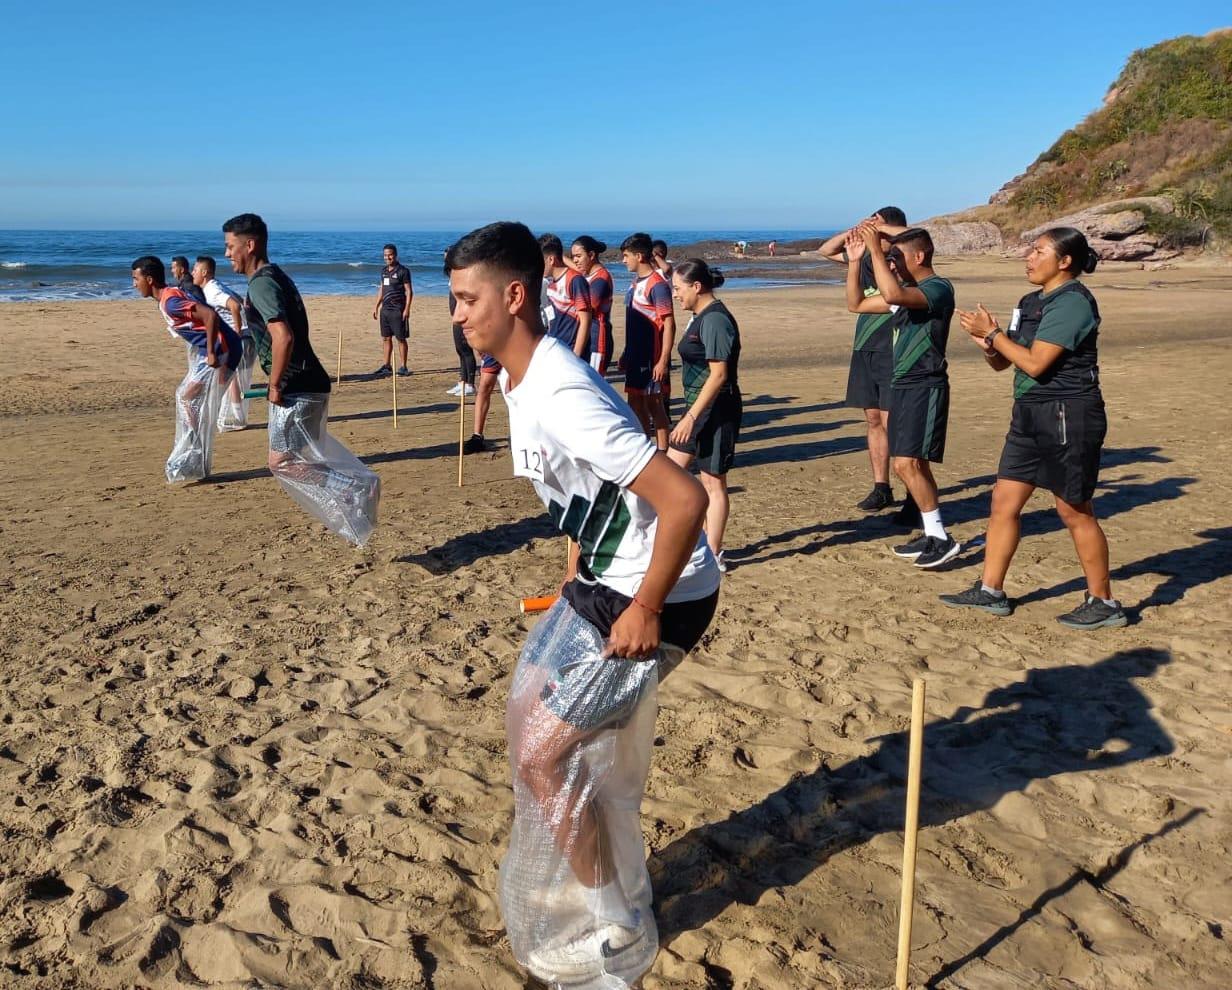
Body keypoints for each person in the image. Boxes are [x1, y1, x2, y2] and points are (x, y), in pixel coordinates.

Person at [446, 220, 718, 987]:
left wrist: (647, 609)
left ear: (515, 295)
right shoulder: (519, 383)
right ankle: (603, 894)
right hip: (604, 579)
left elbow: (685, 499)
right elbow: (590, 496)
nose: (458, 316)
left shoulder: (562, 392)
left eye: (467, 301)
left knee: (543, 755)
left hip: (658, 592)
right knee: (529, 720)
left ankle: (614, 920)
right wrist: (579, 574)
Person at [941, 227, 1126, 629]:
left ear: (1064, 262)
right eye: (1029, 250)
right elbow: (1009, 361)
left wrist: (991, 333)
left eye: (1038, 251)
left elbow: (1038, 363)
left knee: (1073, 509)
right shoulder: (1029, 301)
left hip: (1068, 412)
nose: (1028, 257)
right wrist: (990, 345)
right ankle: (990, 591)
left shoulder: (1074, 302)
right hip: (1028, 412)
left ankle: (1104, 601)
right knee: (1003, 502)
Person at [224, 213, 380, 546]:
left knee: (282, 462)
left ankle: (356, 486)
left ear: (249, 245)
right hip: (308, 381)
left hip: (297, 385)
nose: (226, 254)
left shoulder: (262, 283)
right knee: (291, 461)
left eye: (230, 246)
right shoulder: (275, 276)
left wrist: (276, 383)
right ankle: (354, 491)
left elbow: (284, 336)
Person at [847, 223, 959, 569]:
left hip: (924, 383)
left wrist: (877, 251)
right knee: (913, 464)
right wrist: (855, 262)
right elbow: (857, 304)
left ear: (920, 256)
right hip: (904, 383)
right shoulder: (908, 290)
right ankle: (931, 532)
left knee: (905, 463)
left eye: (898, 256)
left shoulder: (937, 288)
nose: (892, 263)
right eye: (889, 257)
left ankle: (940, 537)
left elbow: (893, 295)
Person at [819, 208, 909, 512]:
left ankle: (913, 490)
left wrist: (884, 230)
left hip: (893, 349)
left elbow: (916, 237)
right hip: (865, 348)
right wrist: (857, 231)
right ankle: (881, 487)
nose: (871, 227)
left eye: (877, 223)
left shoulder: (903, 257)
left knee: (892, 421)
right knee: (872, 419)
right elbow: (826, 250)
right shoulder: (865, 258)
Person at [132, 255, 240, 482]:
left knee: (186, 398)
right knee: (193, 401)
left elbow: (210, 315)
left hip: (222, 352)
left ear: (149, 280)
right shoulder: (170, 296)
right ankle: (196, 455)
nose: (134, 284)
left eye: (136, 278)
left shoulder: (170, 301)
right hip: (216, 351)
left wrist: (210, 352)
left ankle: (195, 449)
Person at [667, 260, 742, 572]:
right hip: (697, 408)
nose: (674, 294)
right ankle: (687, 538)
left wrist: (690, 418)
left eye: (678, 288)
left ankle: (713, 553)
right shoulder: (699, 316)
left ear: (696, 287)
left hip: (715, 410)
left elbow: (719, 375)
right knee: (669, 474)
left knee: (713, 482)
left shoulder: (715, 321)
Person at [619, 232, 675, 450]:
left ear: (639, 256)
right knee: (634, 402)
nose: (623, 260)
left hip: (651, 355)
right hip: (635, 353)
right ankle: (645, 447)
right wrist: (627, 351)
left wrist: (663, 360)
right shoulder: (636, 283)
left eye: (626, 256)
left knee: (654, 404)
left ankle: (663, 452)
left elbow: (669, 324)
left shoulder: (657, 285)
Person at [193, 255, 255, 431]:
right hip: (244, 336)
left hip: (240, 338)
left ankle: (235, 418)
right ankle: (236, 417)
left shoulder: (212, 290)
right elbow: (242, 302)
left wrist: (236, 330)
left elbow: (235, 306)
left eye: (195, 270)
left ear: (204, 273)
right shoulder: (216, 286)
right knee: (230, 377)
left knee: (228, 377)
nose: (193, 273)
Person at [539, 233, 594, 360]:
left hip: (571, 350)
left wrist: (577, 354)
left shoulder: (575, 280)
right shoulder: (551, 283)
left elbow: (586, 320)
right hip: (556, 347)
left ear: (551, 260)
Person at [570, 236, 615, 375]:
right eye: (573, 257)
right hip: (587, 338)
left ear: (591, 255)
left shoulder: (601, 278)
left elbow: (589, 305)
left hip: (598, 339)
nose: (575, 260)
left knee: (594, 384)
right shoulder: (587, 275)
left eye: (578, 256)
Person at [371, 243, 412, 377]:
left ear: (395, 255)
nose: (387, 257)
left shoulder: (403, 271)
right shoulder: (383, 271)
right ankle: (387, 366)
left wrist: (407, 309)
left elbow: (409, 291)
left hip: (398, 310)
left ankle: (403, 367)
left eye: (390, 255)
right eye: (385, 255)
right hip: (385, 310)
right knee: (386, 338)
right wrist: (376, 306)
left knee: (400, 338)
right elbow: (382, 289)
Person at [447, 289, 477, 397]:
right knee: (459, 350)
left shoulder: (464, 283)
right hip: (456, 319)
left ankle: (470, 384)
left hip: (464, 319)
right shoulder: (453, 281)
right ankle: (463, 381)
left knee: (466, 350)